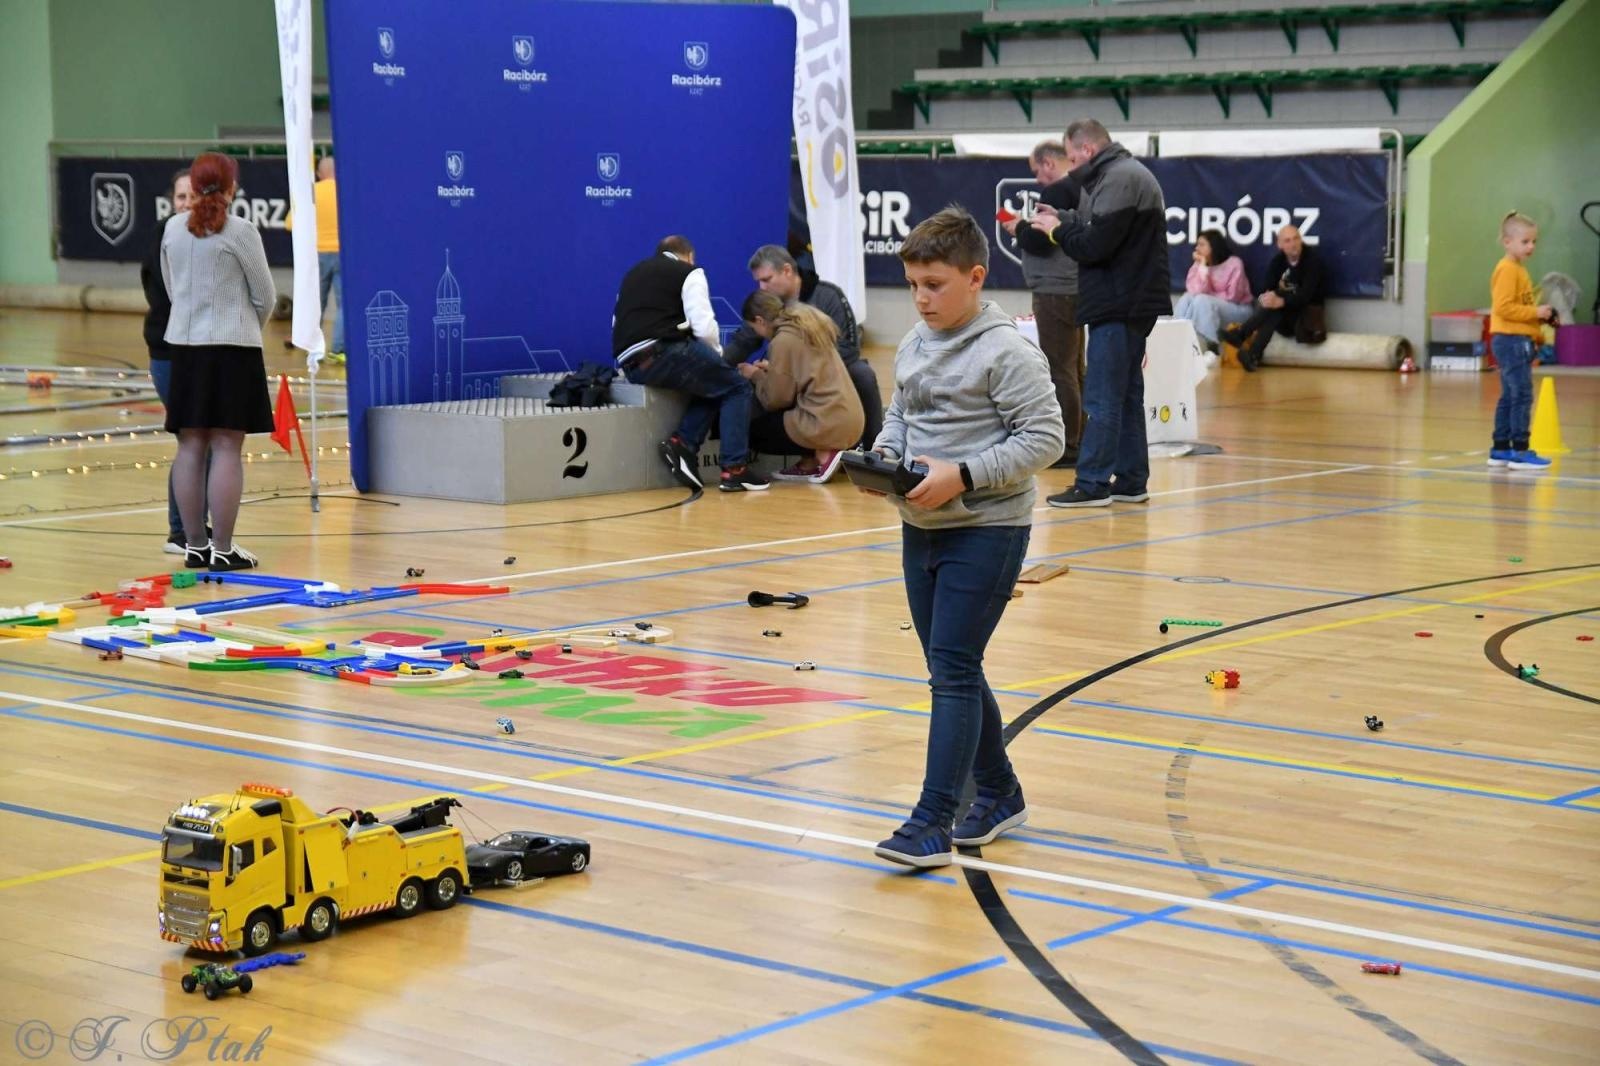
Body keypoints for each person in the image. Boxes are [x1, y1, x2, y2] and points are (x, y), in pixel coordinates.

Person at [868, 206, 1064, 868]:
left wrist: (965, 475)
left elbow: (1047, 439)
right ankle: (1001, 792)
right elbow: (901, 412)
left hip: (987, 527)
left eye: (934, 284)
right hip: (919, 526)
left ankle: (931, 820)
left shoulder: (1006, 351)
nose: (920, 298)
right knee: (952, 664)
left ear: (975, 278)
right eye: (913, 284)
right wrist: (886, 455)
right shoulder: (916, 343)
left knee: (951, 669)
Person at [1029, 118, 1171, 508]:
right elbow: (1099, 228)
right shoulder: (1118, 175)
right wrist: (1063, 220)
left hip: (1120, 301)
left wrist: (1058, 232)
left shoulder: (1119, 178)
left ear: (1087, 150)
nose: (1070, 166)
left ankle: (1091, 482)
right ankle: (1130, 480)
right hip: (1126, 299)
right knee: (1124, 395)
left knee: (1103, 397)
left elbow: (1096, 244)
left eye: (1072, 158)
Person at [161, 152, 276, 572]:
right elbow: (265, 296)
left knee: (190, 445)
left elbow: (173, 287)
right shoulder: (241, 231)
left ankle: (194, 545)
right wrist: (244, 324)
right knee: (227, 445)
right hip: (231, 349)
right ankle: (223, 548)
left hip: (186, 349)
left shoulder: (172, 229)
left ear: (193, 184)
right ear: (232, 187)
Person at [612, 235, 766, 492]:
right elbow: (704, 327)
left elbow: (617, 323)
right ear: (689, 256)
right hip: (663, 350)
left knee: (716, 384)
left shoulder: (632, 275)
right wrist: (719, 359)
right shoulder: (689, 272)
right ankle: (734, 469)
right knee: (737, 386)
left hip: (631, 364)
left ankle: (683, 444)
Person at [724, 245, 883, 450]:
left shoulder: (828, 295)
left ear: (787, 271)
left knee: (863, 374)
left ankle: (874, 449)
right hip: (790, 380)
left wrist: (797, 369)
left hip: (828, 379)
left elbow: (849, 348)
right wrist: (716, 366)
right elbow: (742, 342)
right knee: (758, 384)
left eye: (766, 279)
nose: (761, 288)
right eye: (758, 282)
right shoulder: (765, 305)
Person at [142, 167, 211, 554]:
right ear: (172, 201)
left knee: (209, 441)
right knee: (192, 441)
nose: (187, 204)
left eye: (194, 196)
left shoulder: (210, 236)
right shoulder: (163, 236)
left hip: (203, 349)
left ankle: (196, 527)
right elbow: (162, 294)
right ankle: (181, 531)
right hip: (171, 351)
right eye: (181, 197)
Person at [1007, 139, 1083, 468]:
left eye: (1037, 171)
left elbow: (1040, 242)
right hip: (1076, 286)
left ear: (1049, 164)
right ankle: (1080, 438)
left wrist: (1018, 226)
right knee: (1074, 367)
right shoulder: (1084, 188)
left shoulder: (1055, 194)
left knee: (1059, 368)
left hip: (1054, 288)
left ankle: (1067, 445)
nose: (1038, 180)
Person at [737, 290, 864, 482]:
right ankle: (809, 462)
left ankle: (824, 455)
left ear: (760, 321)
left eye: (754, 327)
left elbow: (776, 399)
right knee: (800, 405)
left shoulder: (782, 340)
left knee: (755, 431)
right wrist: (773, 369)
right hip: (851, 420)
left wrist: (754, 374)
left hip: (827, 423)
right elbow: (809, 373)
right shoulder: (808, 327)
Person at [1485, 211, 1556, 470]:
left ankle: (1501, 448)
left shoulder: (1518, 270)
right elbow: (1503, 308)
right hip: (1510, 340)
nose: (1531, 247)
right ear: (1507, 242)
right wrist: (1535, 313)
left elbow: (1519, 308)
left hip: (1517, 339)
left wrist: (1537, 331)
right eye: (1525, 241)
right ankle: (1520, 450)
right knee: (1522, 395)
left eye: (1533, 241)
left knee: (1510, 394)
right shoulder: (1507, 270)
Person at [1220, 225, 1327, 371]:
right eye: (1288, 240)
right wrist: (1269, 298)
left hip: (1306, 321)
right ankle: (1252, 355)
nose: (1293, 244)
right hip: (1283, 317)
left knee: (1278, 302)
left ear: (1301, 240)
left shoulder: (1313, 262)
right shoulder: (1278, 262)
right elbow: (1266, 289)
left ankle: (1242, 335)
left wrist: (1281, 300)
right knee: (1273, 304)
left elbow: (1305, 297)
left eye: (1296, 238)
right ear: (1280, 244)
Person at [284, 156, 343, 361]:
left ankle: (311, 346)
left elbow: (290, 224)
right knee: (343, 305)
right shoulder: (346, 191)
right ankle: (338, 351)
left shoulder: (310, 192)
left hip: (316, 256)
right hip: (343, 255)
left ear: (319, 173)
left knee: (315, 303)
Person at [1173, 229, 1252, 347]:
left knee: (1202, 300)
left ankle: (1211, 346)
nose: (1197, 248)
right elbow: (1194, 291)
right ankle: (1176, 338)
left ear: (1213, 246)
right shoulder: (1200, 264)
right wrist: (1203, 267)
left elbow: (1233, 296)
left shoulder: (1234, 263)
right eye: (1197, 244)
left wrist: (1207, 296)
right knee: (1187, 297)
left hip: (1239, 309)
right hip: (1207, 308)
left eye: (1202, 245)